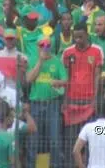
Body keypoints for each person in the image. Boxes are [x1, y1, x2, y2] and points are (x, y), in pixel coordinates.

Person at [62, 23, 104, 166]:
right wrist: (65, 100)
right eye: (75, 37)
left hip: (89, 103)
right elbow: (66, 76)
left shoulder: (97, 51)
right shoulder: (68, 52)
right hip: (72, 102)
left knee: (90, 140)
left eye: (80, 37)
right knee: (72, 141)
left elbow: (97, 76)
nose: (78, 40)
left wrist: (95, 99)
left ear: (87, 34)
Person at [25, 37, 68, 168]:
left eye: (48, 45)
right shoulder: (32, 60)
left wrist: (58, 82)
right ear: (37, 46)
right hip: (36, 104)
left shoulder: (57, 61)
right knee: (33, 139)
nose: (45, 47)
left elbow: (65, 81)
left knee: (54, 139)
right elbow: (29, 79)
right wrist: (40, 61)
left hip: (52, 104)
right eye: (42, 45)